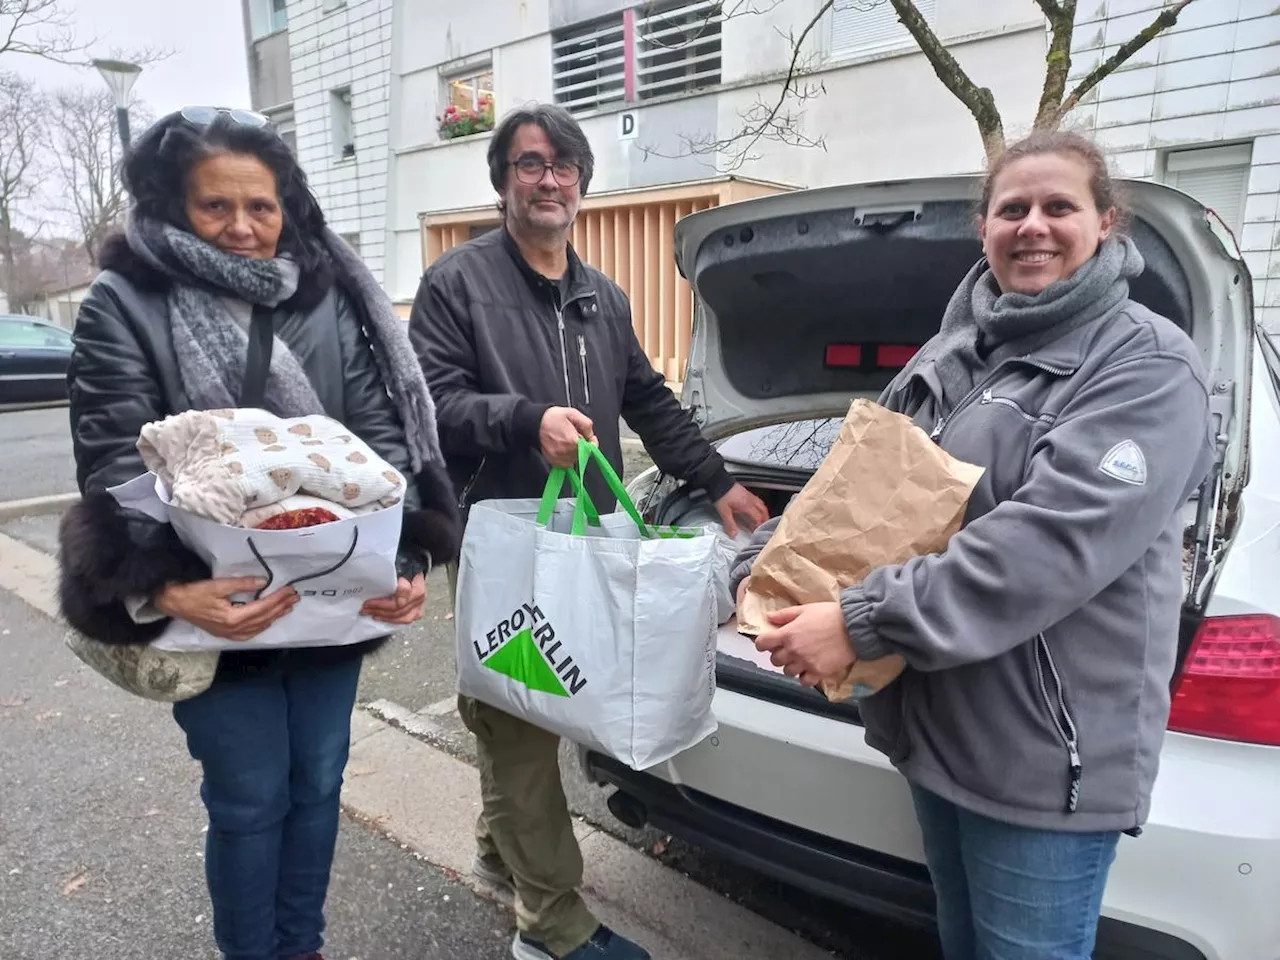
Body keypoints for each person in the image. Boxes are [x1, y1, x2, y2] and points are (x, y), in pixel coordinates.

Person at [730, 131, 1215, 960]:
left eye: (1059, 206)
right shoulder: (959, 350)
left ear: (1105, 222)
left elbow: (1044, 546)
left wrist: (857, 622)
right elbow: (858, 487)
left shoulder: (1148, 364)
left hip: (1038, 760)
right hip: (939, 733)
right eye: (1011, 208)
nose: (1033, 225)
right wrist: (756, 566)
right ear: (983, 226)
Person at [58, 107, 461, 960]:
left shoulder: (325, 295)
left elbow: (381, 438)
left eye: (262, 207)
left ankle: (300, 946)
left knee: (318, 782)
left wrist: (405, 552)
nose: (243, 228)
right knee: (248, 798)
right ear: (173, 204)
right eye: (216, 207)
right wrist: (162, 588)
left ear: (288, 207)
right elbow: (114, 460)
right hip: (218, 598)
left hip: (329, 590)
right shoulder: (125, 301)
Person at [409, 102, 769, 960]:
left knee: (544, 700)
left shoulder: (600, 296)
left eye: (564, 164)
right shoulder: (458, 283)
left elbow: (644, 396)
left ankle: (503, 848)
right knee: (517, 722)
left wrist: (716, 482)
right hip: (505, 539)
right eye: (530, 164)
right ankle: (553, 927)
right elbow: (427, 403)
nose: (549, 178)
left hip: (589, 537)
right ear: (502, 183)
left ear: (582, 183)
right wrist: (522, 420)